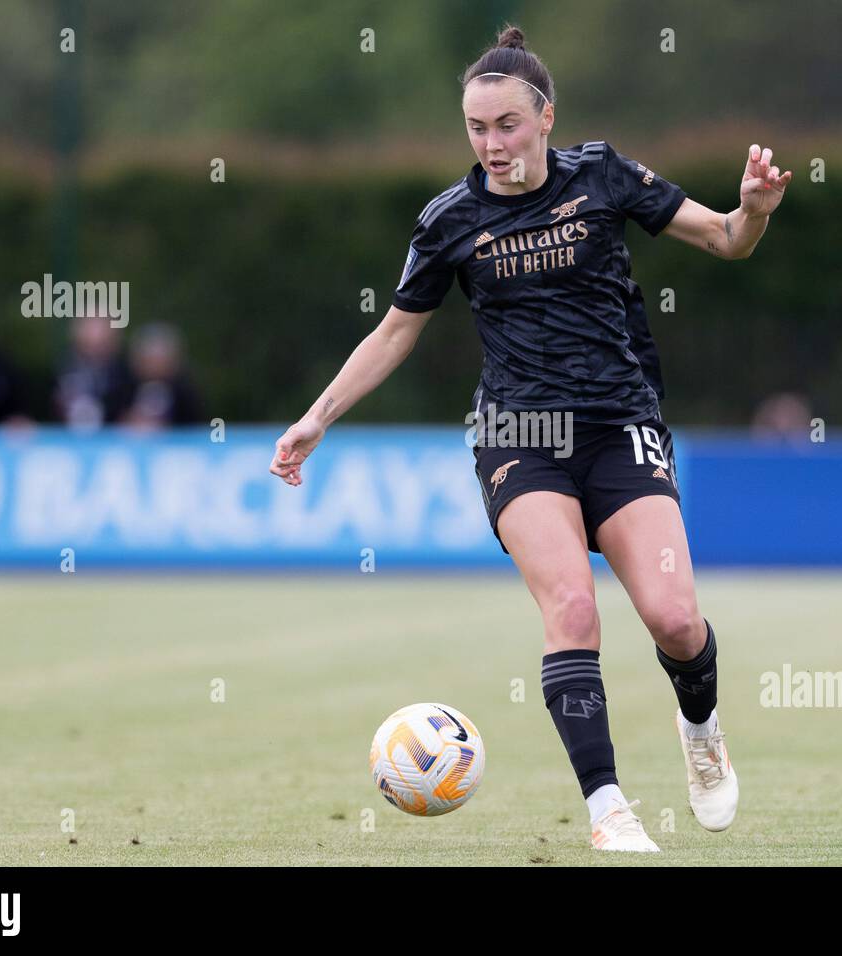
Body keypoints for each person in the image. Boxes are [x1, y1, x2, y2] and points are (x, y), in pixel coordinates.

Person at [270, 25, 791, 852]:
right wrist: (316, 417)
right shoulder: (450, 219)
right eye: (476, 130)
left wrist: (753, 212)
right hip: (519, 433)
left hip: (622, 425)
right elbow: (396, 333)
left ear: (545, 117)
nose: (492, 145)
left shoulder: (605, 175)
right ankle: (607, 808)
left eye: (507, 125)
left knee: (676, 621)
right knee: (573, 606)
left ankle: (701, 734)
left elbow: (726, 239)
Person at [54, 313, 135, 431]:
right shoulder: (59, 369)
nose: (96, 333)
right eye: (91, 324)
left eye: (102, 325)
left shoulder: (127, 373)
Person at [123, 323, 204, 428]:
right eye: (149, 359)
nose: (154, 366)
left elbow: (196, 428)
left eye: (160, 359)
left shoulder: (185, 392)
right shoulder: (124, 386)